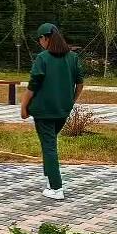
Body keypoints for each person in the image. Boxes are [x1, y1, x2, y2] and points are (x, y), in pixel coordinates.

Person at [21, 23, 84, 200]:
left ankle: (56, 188)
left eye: (39, 38)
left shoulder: (43, 58)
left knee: (49, 147)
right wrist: (71, 101)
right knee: (48, 144)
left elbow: (32, 86)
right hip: (62, 111)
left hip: (43, 112)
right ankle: (50, 181)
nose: (39, 42)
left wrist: (23, 107)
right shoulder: (73, 57)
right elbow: (80, 83)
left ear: (46, 38)